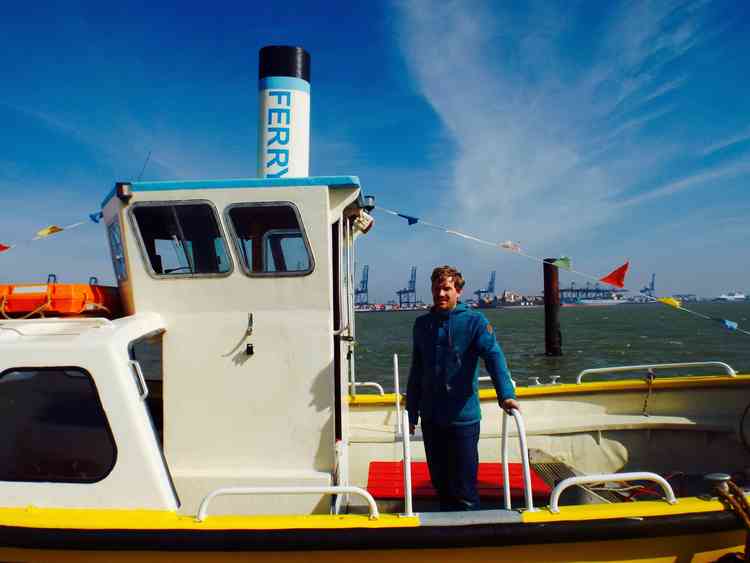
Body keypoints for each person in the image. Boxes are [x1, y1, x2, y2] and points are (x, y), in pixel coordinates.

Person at [406, 265, 519, 511]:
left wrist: (506, 396)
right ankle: (447, 537)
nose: (441, 294)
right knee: (441, 485)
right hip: (432, 419)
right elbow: (417, 370)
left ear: (458, 291)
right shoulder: (422, 324)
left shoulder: (474, 321)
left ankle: (470, 536)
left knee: (464, 489)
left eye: (447, 288)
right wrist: (411, 410)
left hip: (463, 420)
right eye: (437, 288)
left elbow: (493, 357)